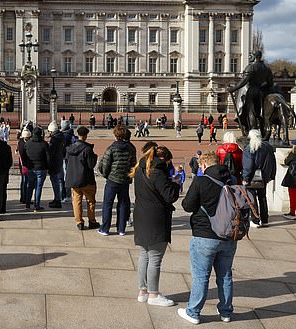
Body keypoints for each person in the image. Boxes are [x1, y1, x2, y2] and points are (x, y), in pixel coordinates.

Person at [178, 151, 237, 324]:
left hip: (205, 235)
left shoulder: (201, 180)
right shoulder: (231, 179)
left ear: (203, 165)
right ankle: (226, 312)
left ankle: (193, 312)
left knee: (201, 277)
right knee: (225, 276)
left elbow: (187, 205)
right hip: (229, 235)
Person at [131, 145, 179, 306]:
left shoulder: (141, 168)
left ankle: (143, 291)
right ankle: (153, 294)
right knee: (155, 258)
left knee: (144, 255)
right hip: (155, 218)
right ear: (164, 159)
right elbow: (170, 196)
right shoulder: (158, 172)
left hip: (141, 215)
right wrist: (176, 183)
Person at [98, 125, 137, 236]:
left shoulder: (111, 148)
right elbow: (133, 164)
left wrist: (106, 175)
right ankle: (121, 229)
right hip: (124, 179)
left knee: (108, 204)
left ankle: (105, 228)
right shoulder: (131, 148)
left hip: (112, 179)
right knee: (123, 203)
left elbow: (105, 164)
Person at [227, 50, 276, 134]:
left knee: (251, 112)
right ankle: (262, 131)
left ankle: (253, 132)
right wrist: (262, 88)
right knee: (260, 112)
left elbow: (244, 81)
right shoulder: (267, 69)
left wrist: (233, 89)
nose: (249, 57)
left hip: (251, 91)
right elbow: (270, 83)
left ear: (255, 56)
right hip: (260, 92)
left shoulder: (251, 67)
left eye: (251, 55)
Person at [65, 126, 100, 230]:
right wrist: (95, 157)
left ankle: (79, 221)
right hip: (87, 179)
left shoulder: (70, 148)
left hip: (74, 178)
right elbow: (91, 165)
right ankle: (92, 220)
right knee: (90, 201)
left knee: (76, 201)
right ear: (85, 135)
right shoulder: (87, 149)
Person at [242, 129, 276, 227]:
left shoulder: (249, 148)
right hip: (264, 177)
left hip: (252, 177)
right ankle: (265, 219)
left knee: (252, 198)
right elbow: (272, 162)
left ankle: (255, 219)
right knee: (262, 198)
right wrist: (271, 175)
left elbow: (248, 165)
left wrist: (245, 178)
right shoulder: (267, 147)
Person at [25, 126, 50, 211]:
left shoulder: (28, 143)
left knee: (30, 186)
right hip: (41, 167)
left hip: (31, 167)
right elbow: (48, 158)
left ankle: (27, 203)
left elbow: (25, 155)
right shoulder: (44, 144)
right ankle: (36, 205)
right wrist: (48, 167)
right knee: (38, 187)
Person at [47, 121, 66, 209]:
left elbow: (51, 152)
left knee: (55, 181)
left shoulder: (54, 139)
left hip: (54, 162)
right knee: (57, 181)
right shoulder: (61, 137)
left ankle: (57, 199)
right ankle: (57, 198)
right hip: (59, 160)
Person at [16, 129, 32, 204]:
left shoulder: (20, 142)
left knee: (24, 181)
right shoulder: (23, 143)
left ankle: (24, 197)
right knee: (25, 181)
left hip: (23, 164)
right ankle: (25, 198)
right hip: (24, 165)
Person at [280, 146, 296, 219]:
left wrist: (291, 153)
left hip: (293, 181)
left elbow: (286, 162)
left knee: (293, 197)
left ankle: (292, 213)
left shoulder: (293, 156)